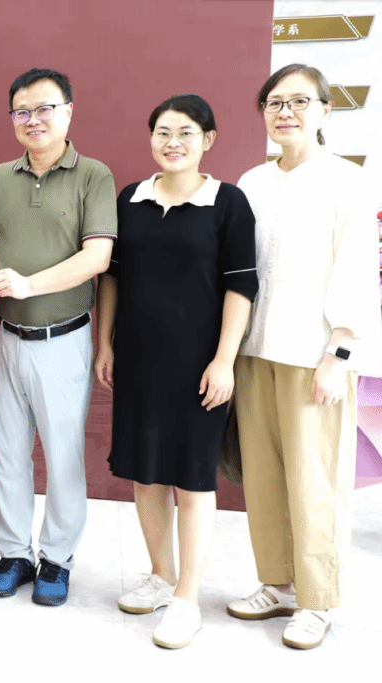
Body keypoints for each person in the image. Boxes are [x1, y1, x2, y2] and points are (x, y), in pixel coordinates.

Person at [228, 64, 382, 650]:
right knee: (265, 479)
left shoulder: (348, 181)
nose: (285, 112)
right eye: (274, 102)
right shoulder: (251, 182)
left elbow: (357, 270)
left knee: (316, 481)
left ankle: (317, 600)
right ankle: (277, 584)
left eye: (298, 101)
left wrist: (338, 353)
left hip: (314, 356)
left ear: (324, 110)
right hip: (254, 351)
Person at [95, 94, 257, 648]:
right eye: (163, 132)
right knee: (145, 475)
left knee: (191, 481)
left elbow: (241, 286)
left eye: (186, 132)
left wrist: (224, 360)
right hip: (138, 358)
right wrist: (105, 343)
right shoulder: (131, 198)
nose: (173, 142)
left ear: (208, 140)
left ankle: (187, 599)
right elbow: (112, 277)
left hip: (199, 366)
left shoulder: (228, 202)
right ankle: (161, 576)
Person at [0, 68, 117, 606]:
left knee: (62, 457)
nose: (32, 119)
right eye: (22, 111)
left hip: (64, 339)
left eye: (44, 108)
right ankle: (14, 553)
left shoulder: (93, 175)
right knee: (7, 453)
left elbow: (97, 257)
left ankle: (57, 558)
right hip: (3, 336)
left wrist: (29, 284)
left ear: (68, 111)